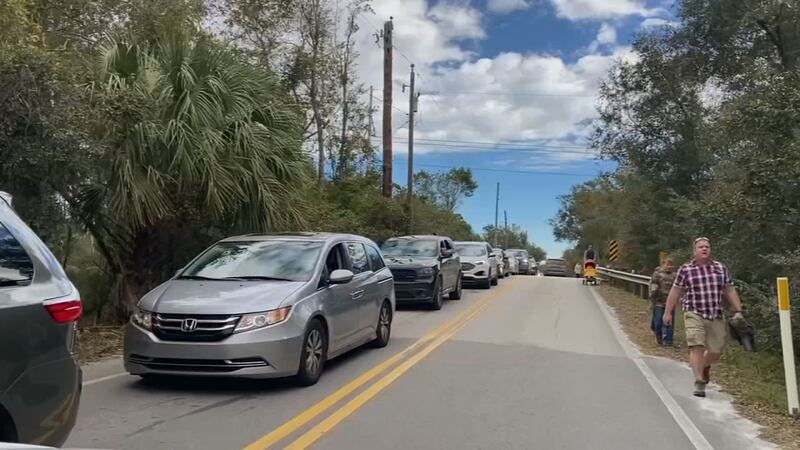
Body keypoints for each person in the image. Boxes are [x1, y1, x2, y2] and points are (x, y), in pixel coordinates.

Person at [664, 238, 744, 398]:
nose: (704, 249)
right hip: (693, 312)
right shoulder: (686, 269)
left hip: (715, 313)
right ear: (695, 251)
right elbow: (675, 291)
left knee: (716, 351)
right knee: (697, 346)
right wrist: (668, 312)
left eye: (707, 246)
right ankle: (699, 381)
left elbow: (729, 290)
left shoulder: (720, 268)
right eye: (701, 247)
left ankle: (704, 366)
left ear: (710, 249)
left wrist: (738, 310)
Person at [649, 258, 676, 346]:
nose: (669, 267)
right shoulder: (657, 274)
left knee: (670, 322)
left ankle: (669, 341)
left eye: (670, 265)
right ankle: (658, 336)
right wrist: (652, 298)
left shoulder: (675, 276)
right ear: (663, 265)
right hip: (659, 301)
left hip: (670, 302)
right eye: (667, 265)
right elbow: (653, 286)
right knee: (658, 321)